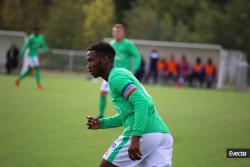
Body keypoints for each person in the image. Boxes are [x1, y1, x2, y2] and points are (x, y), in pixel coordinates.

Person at [86, 42, 173, 167]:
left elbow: (141, 103)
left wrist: (136, 137)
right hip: (161, 134)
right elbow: (128, 114)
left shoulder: (116, 78)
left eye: (91, 60)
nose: (88, 65)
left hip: (145, 134)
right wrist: (102, 123)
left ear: (104, 60)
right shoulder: (120, 73)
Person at [98, 24, 141, 119]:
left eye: (118, 32)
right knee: (103, 92)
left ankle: (131, 117)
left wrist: (134, 69)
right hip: (109, 74)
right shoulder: (111, 44)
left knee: (124, 98)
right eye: (114, 31)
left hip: (122, 75)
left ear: (123, 33)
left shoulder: (128, 44)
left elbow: (137, 56)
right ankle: (100, 115)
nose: (116, 33)